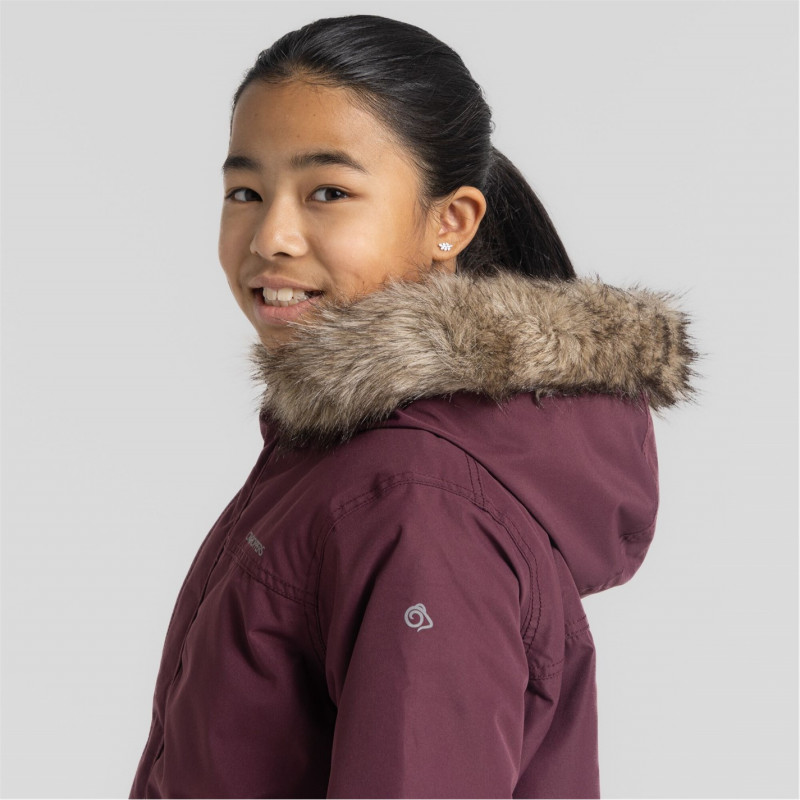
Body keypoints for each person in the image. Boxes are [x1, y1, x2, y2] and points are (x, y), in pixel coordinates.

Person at [130, 14, 697, 799]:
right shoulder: (345, 459)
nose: (271, 237)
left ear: (450, 223)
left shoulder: (417, 503)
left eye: (329, 192)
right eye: (245, 192)